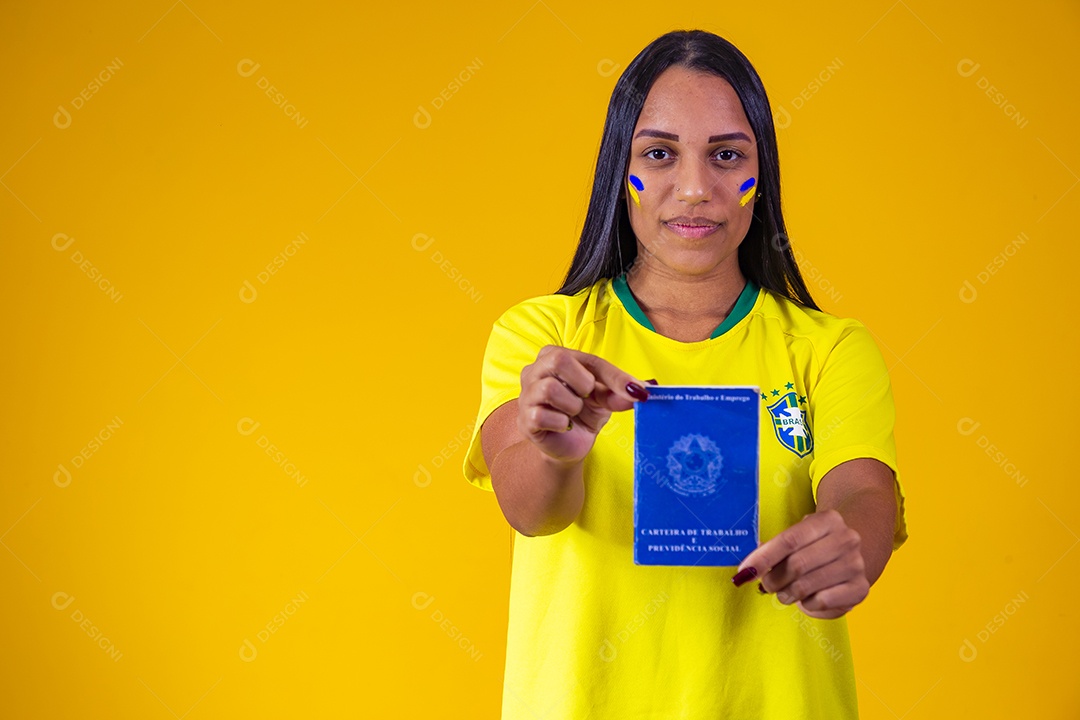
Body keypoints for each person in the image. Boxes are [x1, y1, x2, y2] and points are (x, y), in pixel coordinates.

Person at [462, 28, 907, 720]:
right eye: (659, 153)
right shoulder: (544, 336)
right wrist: (556, 452)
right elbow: (531, 509)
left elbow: (866, 493)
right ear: (620, 169)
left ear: (763, 174)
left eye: (727, 155)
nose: (695, 189)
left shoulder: (830, 349)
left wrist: (850, 543)